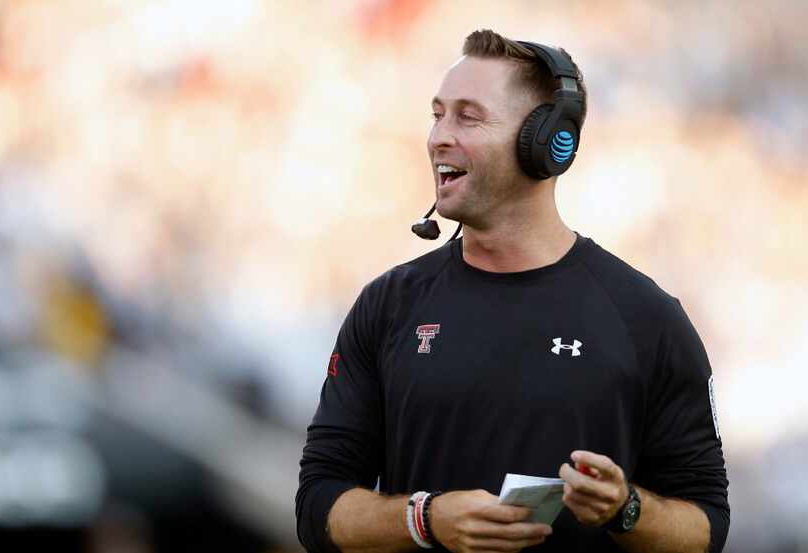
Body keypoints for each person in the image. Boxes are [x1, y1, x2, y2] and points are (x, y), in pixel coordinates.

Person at [295, 29, 729, 553]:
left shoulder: (646, 319)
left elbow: (707, 528)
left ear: (546, 141)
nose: (438, 137)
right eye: (438, 114)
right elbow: (317, 505)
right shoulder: (387, 306)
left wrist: (625, 508)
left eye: (467, 116)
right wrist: (424, 519)